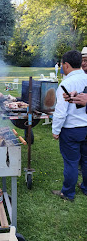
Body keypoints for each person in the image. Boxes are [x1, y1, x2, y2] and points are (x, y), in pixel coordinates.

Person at [51, 50, 87, 201]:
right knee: (85, 160)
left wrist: (55, 130)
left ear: (66, 65)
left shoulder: (66, 84)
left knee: (71, 162)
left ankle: (68, 193)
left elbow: (60, 112)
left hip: (71, 129)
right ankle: (85, 188)